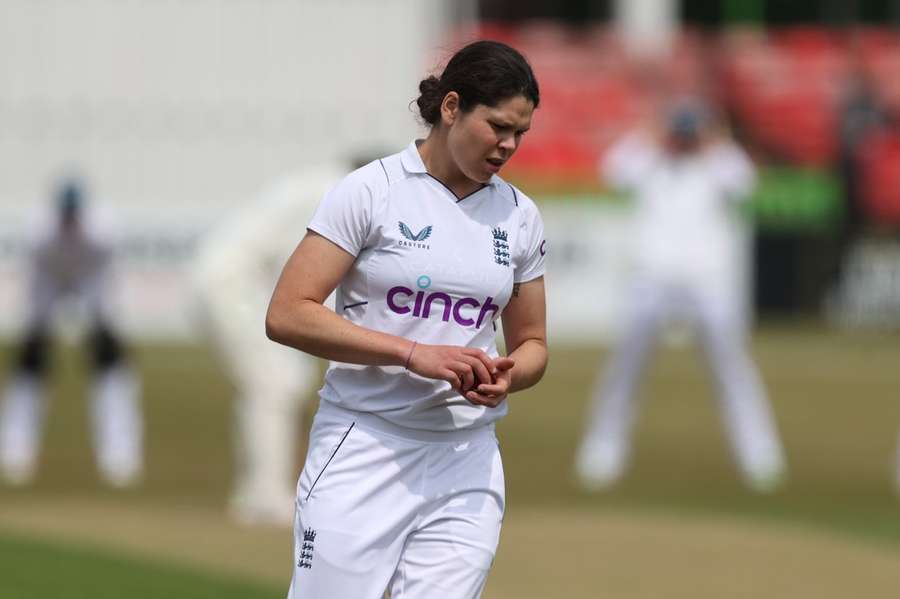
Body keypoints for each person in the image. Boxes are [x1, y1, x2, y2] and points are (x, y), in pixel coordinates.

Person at [266, 40, 548, 598]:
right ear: (450, 108)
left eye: (521, 133)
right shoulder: (373, 190)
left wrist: (508, 374)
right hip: (365, 445)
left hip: (466, 461)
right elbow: (287, 313)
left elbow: (533, 341)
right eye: (497, 126)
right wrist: (414, 354)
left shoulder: (519, 215)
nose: (509, 145)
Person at [574, 99, 787, 494]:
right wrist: (652, 133)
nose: (685, 138)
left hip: (707, 281)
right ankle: (603, 449)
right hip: (650, 277)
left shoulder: (716, 161)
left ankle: (759, 454)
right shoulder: (651, 159)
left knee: (731, 367)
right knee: (626, 366)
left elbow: (744, 182)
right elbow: (613, 171)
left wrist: (713, 140)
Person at [191, 165, 344, 526]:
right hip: (233, 285)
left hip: (232, 281)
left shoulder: (317, 184)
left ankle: (263, 490)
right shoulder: (337, 193)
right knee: (277, 383)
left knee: (279, 381)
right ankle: (265, 495)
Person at [0, 179, 143, 487]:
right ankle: (14, 452)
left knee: (110, 361)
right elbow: (35, 279)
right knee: (30, 362)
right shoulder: (38, 233)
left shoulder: (103, 231)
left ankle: (120, 457)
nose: (69, 222)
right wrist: (37, 327)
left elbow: (106, 281)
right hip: (48, 279)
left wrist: (104, 326)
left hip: (92, 279)